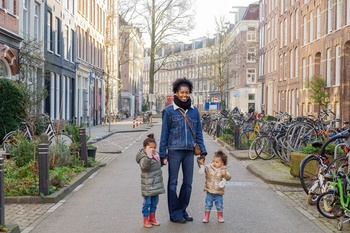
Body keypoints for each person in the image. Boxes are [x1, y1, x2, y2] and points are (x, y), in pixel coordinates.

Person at [159, 77, 207, 224]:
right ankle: (175, 213)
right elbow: (164, 134)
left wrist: (202, 152)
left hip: (188, 152)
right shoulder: (169, 111)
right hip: (174, 151)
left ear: (190, 93)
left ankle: (182, 209)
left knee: (188, 183)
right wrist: (163, 154)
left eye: (187, 92)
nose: (184, 95)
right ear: (176, 93)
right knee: (173, 182)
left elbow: (198, 132)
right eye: (181, 92)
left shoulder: (194, 112)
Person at [136, 133, 165, 228]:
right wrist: (148, 157)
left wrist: (163, 162)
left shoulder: (156, 155)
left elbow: (156, 167)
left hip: (156, 184)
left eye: (154, 147)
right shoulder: (143, 157)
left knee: (154, 202)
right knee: (147, 202)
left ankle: (152, 218)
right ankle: (145, 219)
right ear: (145, 147)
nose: (152, 149)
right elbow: (144, 167)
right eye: (150, 147)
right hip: (148, 185)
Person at [198, 149, 231, 223]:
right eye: (213, 161)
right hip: (209, 191)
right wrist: (201, 164)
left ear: (222, 164)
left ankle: (220, 216)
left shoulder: (223, 170)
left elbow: (228, 177)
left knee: (219, 205)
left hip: (218, 192)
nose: (214, 163)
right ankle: (206, 217)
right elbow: (203, 170)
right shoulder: (209, 167)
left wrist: (224, 174)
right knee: (208, 205)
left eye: (217, 162)